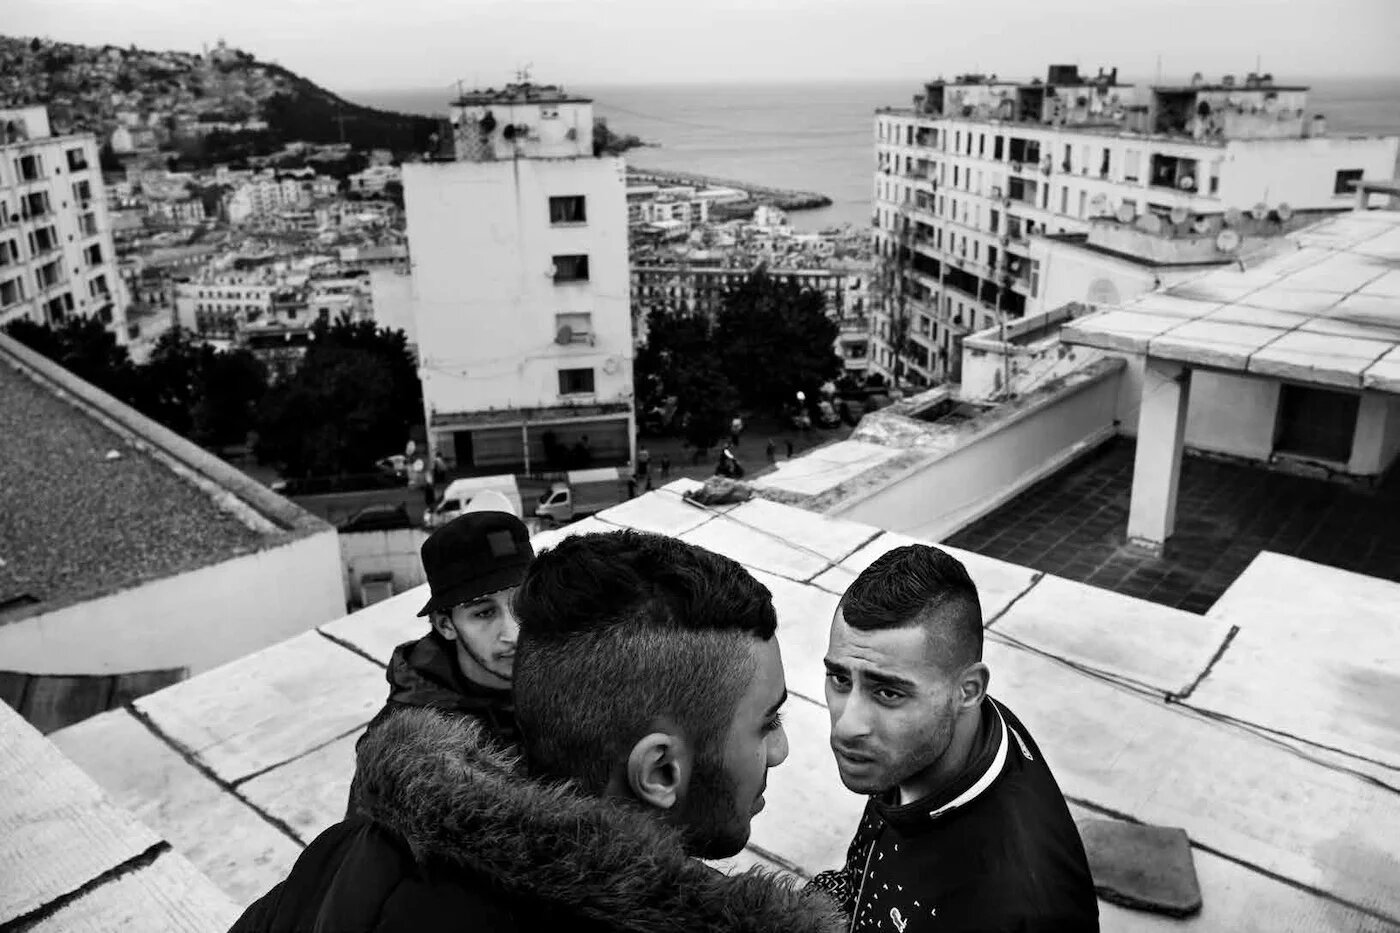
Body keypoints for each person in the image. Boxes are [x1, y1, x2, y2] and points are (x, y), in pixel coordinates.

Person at [232, 531, 840, 933]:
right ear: (658, 771)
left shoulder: (340, 854)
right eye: (768, 722)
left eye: (519, 608)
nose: (782, 750)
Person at [809, 544, 1098, 932]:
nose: (847, 725)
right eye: (840, 679)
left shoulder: (1020, 907)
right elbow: (858, 881)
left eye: (888, 693)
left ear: (969, 690)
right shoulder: (933, 739)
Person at [342, 508, 532, 817]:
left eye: (522, 603)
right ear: (445, 625)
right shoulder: (403, 748)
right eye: (484, 613)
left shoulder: (575, 679)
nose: (513, 633)